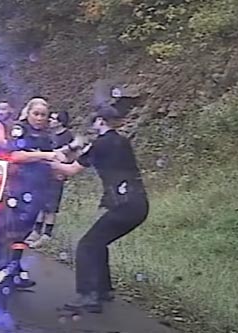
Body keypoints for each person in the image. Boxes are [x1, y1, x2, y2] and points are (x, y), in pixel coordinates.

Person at [48, 104, 149, 313]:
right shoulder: (121, 141)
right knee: (98, 242)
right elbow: (82, 156)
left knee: (87, 245)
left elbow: (70, 170)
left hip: (123, 204)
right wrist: (72, 150)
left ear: (101, 121)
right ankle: (103, 290)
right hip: (138, 203)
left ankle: (88, 296)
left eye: (95, 121)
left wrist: (48, 163)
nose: (93, 124)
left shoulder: (100, 144)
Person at [3, 97, 65, 289]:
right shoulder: (20, 129)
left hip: (39, 186)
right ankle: (5, 266)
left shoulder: (47, 135)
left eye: (43, 115)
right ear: (28, 113)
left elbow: (49, 158)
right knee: (12, 228)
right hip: (18, 185)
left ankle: (15, 266)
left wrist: (59, 167)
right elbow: (15, 155)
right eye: (36, 114)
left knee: (25, 230)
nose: (39, 118)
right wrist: (44, 155)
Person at [25, 111, 75, 248]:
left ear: (60, 121)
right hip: (44, 172)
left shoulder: (67, 136)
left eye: (54, 118)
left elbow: (72, 154)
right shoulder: (48, 134)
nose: (50, 120)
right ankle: (36, 231)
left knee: (51, 206)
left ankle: (47, 234)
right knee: (41, 202)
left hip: (57, 173)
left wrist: (65, 168)